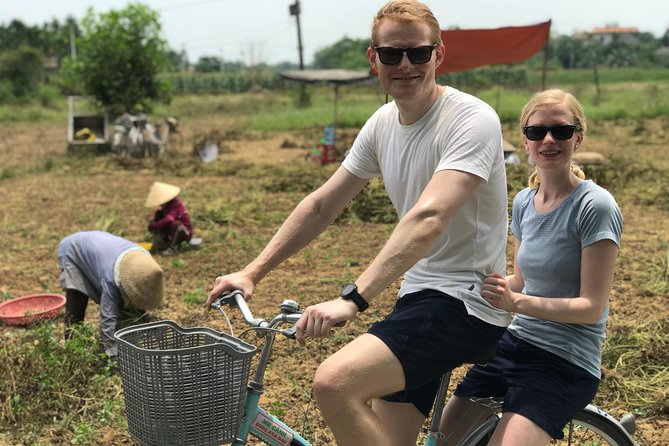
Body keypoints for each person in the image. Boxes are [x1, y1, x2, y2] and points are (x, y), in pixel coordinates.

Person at [206, 1, 510, 444]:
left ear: (438, 55)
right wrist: (252, 271)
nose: (404, 65)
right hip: (419, 297)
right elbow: (322, 205)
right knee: (388, 438)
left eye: (417, 53)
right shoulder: (383, 123)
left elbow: (429, 217)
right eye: (391, 54)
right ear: (374, 60)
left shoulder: (471, 119)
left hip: (468, 302)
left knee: (334, 382)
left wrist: (352, 299)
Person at [440, 89, 624, 445]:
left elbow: (591, 308)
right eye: (537, 132)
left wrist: (515, 304)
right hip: (515, 344)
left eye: (561, 131)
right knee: (447, 437)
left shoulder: (595, 205)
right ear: (524, 140)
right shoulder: (525, 201)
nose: (548, 140)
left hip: (564, 361)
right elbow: (521, 281)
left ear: (578, 137)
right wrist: (468, 284)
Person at [58, 230, 164, 357]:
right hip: (74, 250)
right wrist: (111, 353)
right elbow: (107, 319)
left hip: (99, 247)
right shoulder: (110, 279)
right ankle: (73, 350)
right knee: (77, 300)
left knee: (125, 309)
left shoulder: (145, 264)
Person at [145, 181, 193, 255]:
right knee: (158, 215)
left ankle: (173, 248)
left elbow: (169, 220)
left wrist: (155, 225)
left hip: (184, 233)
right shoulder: (165, 208)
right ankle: (162, 243)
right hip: (172, 233)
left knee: (176, 224)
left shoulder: (176, 205)